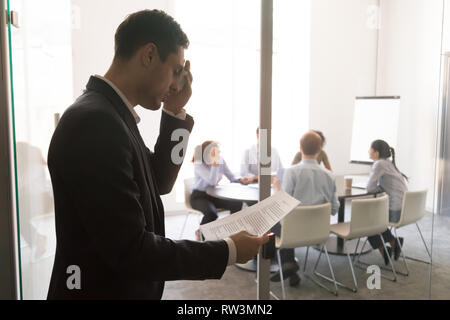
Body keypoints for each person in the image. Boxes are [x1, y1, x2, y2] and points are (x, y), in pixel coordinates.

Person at [46, 10, 268, 300]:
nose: (177, 84)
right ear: (149, 55)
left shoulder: (110, 114)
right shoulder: (96, 123)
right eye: (176, 70)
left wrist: (175, 111)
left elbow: (159, 181)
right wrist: (229, 250)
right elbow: (132, 251)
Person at [270, 131, 339, 287]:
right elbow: (334, 209)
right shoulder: (329, 176)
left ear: (300, 148)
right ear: (320, 149)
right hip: (319, 231)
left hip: (294, 231)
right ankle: (289, 266)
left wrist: (277, 190)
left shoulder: (292, 172)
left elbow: (284, 205)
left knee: (268, 222)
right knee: (286, 223)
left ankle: (284, 263)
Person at [190, 141, 248, 240]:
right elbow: (212, 181)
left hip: (214, 195)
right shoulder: (199, 163)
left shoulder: (221, 160)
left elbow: (231, 177)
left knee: (237, 204)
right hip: (199, 196)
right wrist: (214, 163)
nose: (218, 154)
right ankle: (200, 233)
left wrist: (241, 180)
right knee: (211, 213)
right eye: (215, 152)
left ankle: (232, 233)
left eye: (218, 152)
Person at [366, 140, 407, 265]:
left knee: (366, 222)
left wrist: (381, 189)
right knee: (374, 219)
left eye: (370, 149)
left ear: (376, 153)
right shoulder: (389, 163)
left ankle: (385, 251)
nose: (368, 151)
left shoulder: (379, 164)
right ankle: (394, 242)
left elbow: (369, 188)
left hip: (395, 212)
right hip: (405, 210)